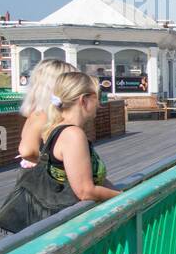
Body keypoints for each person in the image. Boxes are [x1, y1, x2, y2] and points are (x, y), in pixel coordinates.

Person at [42, 73, 121, 207]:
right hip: (71, 220)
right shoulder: (72, 135)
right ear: (83, 100)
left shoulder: (57, 128)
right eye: (98, 96)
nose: (99, 104)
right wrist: (126, 197)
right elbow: (85, 191)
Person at [17, 59, 81, 166]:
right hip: (43, 179)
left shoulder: (38, 114)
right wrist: (53, 165)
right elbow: (26, 151)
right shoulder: (41, 116)